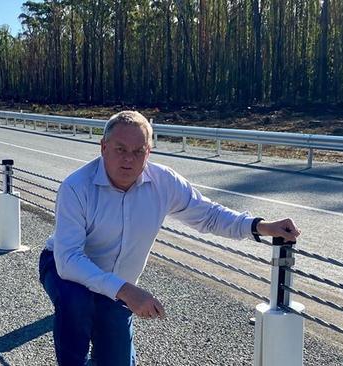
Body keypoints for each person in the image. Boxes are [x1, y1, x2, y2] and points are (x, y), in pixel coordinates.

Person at [39, 111, 301, 366]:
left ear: (149, 152)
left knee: (116, 358)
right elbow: (69, 259)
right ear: (103, 147)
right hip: (66, 269)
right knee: (77, 302)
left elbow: (209, 215)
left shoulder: (164, 182)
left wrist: (260, 226)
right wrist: (127, 290)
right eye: (120, 149)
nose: (129, 159)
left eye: (138, 151)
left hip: (118, 284)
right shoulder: (76, 187)